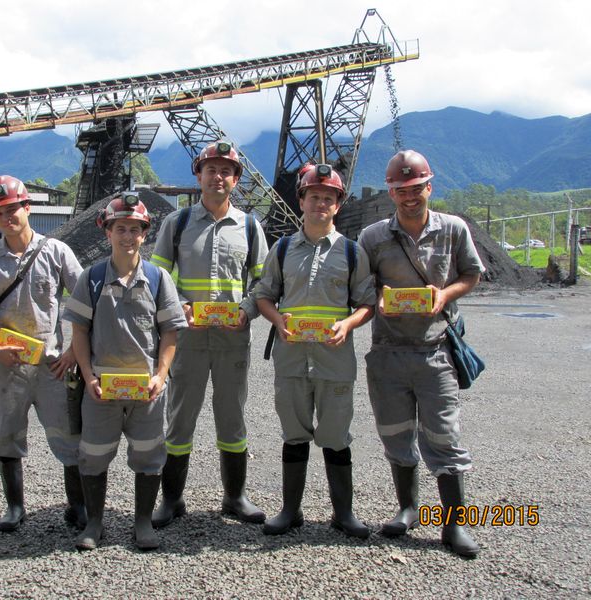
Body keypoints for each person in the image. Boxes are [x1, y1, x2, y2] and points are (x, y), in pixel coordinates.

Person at [357, 150, 484, 558]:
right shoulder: (373, 236)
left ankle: (454, 525)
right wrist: (379, 299)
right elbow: (361, 285)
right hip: (389, 351)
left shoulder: (453, 229)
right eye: (400, 190)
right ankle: (408, 508)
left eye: (416, 188)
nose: (409, 196)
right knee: (395, 433)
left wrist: (444, 294)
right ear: (391, 193)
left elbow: (471, 274)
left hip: (435, 350)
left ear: (429, 187)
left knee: (444, 435)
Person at [150, 140, 269, 528]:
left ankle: (234, 498)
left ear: (236, 180)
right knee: (180, 417)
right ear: (199, 175)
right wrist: (178, 306)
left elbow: (263, 283)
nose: (218, 177)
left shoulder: (249, 227)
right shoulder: (178, 223)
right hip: (188, 338)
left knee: (232, 416)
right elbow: (159, 277)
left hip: (232, 338)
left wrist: (247, 311)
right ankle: (172, 499)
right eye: (211, 170)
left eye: (226, 171)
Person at [255, 164, 375, 538]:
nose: (321, 203)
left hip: (334, 361)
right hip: (291, 359)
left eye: (329, 197)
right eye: (314, 196)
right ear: (302, 200)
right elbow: (262, 295)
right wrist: (277, 321)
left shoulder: (352, 253)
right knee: (293, 432)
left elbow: (368, 302)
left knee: (336, 434)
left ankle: (344, 514)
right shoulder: (284, 248)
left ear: (337, 205)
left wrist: (348, 324)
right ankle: (290, 511)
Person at [63, 192, 187, 551]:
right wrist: (88, 377)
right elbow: (79, 333)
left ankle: (143, 523)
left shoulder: (159, 279)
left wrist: (160, 376)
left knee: (149, 454)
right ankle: (95, 523)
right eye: (121, 228)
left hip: (145, 390)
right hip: (102, 389)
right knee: (94, 454)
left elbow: (170, 334)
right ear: (107, 231)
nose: (128, 236)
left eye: (135, 229)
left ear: (145, 234)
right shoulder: (92, 277)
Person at [0, 175, 85, 532]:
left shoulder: (55, 251)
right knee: (7, 432)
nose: (6, 217)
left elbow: (82, 303)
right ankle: (14, 507)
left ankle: (77, 506)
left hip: (52, 364)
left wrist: (75, 353)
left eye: (12, 209)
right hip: (7, 364)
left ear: (27, 207)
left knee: (66, 435)